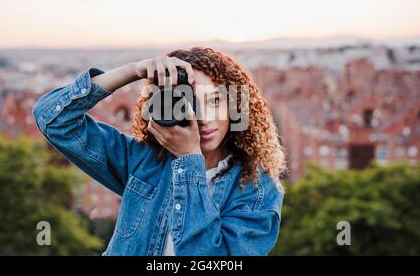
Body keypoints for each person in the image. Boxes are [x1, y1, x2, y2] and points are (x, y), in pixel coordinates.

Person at [32, 46, 286, 256]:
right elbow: (54, 120)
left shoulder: (258, 189)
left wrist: (189, 160)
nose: (205, 117)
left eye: (216, 100)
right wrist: (133, 71)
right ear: (167, 106)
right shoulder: (144, 161)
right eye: (189, 101)